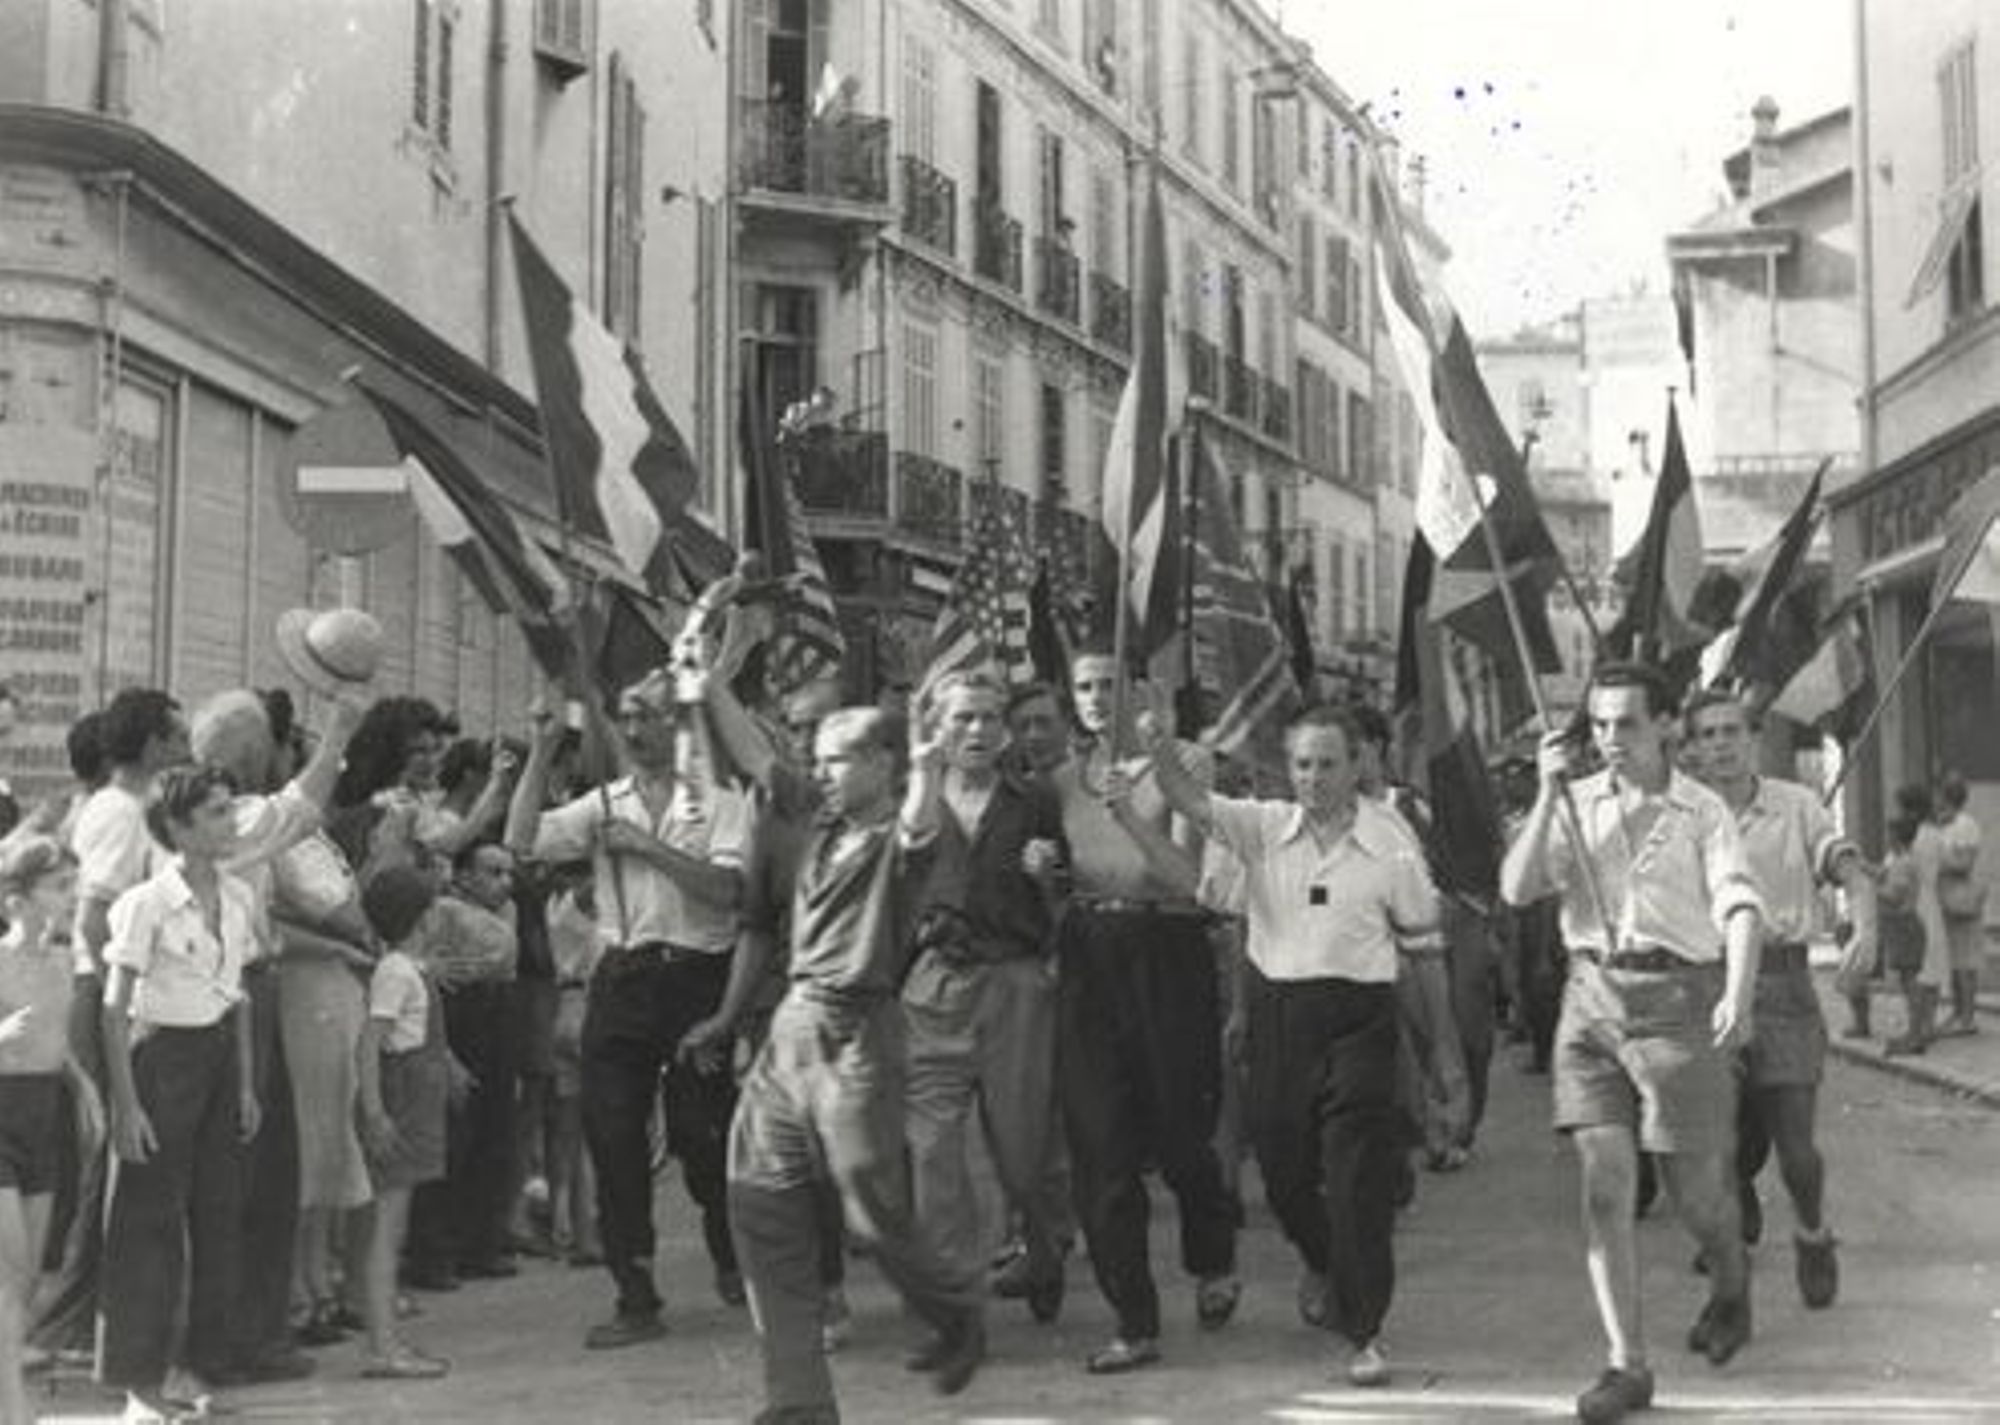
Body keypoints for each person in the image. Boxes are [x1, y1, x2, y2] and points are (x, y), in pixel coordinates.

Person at [1143, 704, 1458, 1387]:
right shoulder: (1260, 827)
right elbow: (1190, 800)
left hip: (1360, 1022)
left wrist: (1446, 1055)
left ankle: (1364, 1326)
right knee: (1283, 1174)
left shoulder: (1390, 840)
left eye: (1329, 763)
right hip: (1280, 1017)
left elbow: (1424, 945)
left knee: (1356, 1182)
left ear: (1355, 767)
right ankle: (1322, 1259)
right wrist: (1157, 747)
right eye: (1303, 764)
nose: (1315, 777)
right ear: (1289, 770)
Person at [1499, 663, 1765, 1425]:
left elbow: (1738, 903)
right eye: (1600, 724)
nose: (1611, 738)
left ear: (1664, 726)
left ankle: (1731, 1274)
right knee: (1606, 1185)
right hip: (1591, 1001)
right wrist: (1549, 794)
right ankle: (1628, 1364)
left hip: (1681, 1001)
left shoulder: (1701, 810)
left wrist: (1739, 992)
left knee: (1698, 1200)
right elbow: (1517, 888)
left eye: (1627, 723)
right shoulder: (1573, 803)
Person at [722, 705, 985, 1421]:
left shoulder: (901, 839)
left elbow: (921, 829)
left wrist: (929, 770)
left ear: (882, 764)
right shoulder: (818, 821)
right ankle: (799, 1400)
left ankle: (956, 1314)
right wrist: (711, 683)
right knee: (758, 1196)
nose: (823, 770)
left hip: (856, 1029)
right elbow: (754, 757)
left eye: (839, 758)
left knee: (870, 1210)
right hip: (792, 1024)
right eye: (820, 757)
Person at [510, 674, 752, 1348]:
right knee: (612, 1131)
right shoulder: (604, 802)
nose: (638, 729)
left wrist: (646, 847)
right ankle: (634, 1286)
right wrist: (539, 749)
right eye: (628, 716)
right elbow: (523, 839)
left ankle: (730, 1249)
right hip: (622, 976)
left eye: (652, 715)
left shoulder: (721, 804)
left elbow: (728, 889)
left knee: (701, 1133)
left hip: (695, 976)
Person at [1047, 651, 1239, 1375]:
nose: (1096, 697)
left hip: (1166, 946)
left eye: (1108, 684)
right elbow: (1062, 879)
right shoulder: (1065, 780)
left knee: (1182, 1133)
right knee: (1099, 1144)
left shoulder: (1184, 762)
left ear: (1137, 689)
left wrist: (1136, 805)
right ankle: (1134, 1316)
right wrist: (1047, 869)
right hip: (1091, 955)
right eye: (1085, 686)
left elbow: (1189, 879)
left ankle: (1213, 1254)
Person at [1685, 689, 1876, 1309]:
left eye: (1731, 731)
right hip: (1707, 986)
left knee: (1796, 1150)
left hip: (1782, 984)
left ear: (1753, 738)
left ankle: (1812, 1232)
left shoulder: (1796, 806)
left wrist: (1865, 932)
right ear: (1690, 747)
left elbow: (1850, 871)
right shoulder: (1678, 814)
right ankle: (1727, 1254)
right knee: (1714, 1143)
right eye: (1707, 734)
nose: (1720, 744)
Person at [900, 672, 1069, 1321]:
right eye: (964, 718)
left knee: (1022, 1145)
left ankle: (1045, 1249)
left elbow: (1063, 895)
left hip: (1014, 982)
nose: (978, 730)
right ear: (937, 726)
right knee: (934, 1148)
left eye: (990, 718)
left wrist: (1047, 873)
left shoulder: (1033, 799)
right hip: (935, 982)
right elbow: (903, 856)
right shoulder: (914, 795)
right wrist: (919, 771)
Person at [98, 765, 263, 1420]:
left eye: (231, 808)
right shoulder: (145, 903)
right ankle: (139, 1383)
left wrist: (246, 1082)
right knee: (148, 1222)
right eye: (218, 812)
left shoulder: (240, 894)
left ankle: (195, 1363)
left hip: (221, 1058)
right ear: (179, 826)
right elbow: (113, 1011)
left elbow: (240, 995)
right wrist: (128, 1104)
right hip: (162, 1060)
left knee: (219, 1213)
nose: (232, 823)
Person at [31, 689, 187, 1361]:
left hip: (106, 989)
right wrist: (133, 980)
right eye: (177, 733)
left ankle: (80, 1308)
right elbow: (95, 913)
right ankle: (64, 1316)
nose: (186, 744)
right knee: (105, 1154)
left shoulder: (126, 808)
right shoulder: (122, 813)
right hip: (104, 992)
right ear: (152, 741)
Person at [0, 838, 98, 1425]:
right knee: (7, 1270)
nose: (71, 900)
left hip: (44, 1112)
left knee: (31, 1274)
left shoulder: (63, 960)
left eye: (73, 888)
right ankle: (12, 1405)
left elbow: (51, 1044)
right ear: (18, 899)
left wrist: (83, 1085)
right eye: (60, 888)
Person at [410, 835, 525, 1285]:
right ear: (463, 876)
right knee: (453, 1137)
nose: (504, 882)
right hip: (459, 1014)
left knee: (495, 1135)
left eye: (508, 873)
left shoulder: (506, 914)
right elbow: (414, 962)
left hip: (499, 1014)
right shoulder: (441, 911)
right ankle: (434, 1252)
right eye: (492, 872)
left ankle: (482, 1244)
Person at [354, 865, 454, 1381]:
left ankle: (386, 1335)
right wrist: (374, 1111)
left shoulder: (409, 966)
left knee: (393, 1226)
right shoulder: (395, 970)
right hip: (402, 1102)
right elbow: (372, 1040)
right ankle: (382, 1346)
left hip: (417, 1097)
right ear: (420, 915)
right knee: (386, 1233)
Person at [1888, 785, 1948, 1056]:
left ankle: (1917, 1028)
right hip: (1931, 899)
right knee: (1932, 965)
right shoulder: (1937, 834)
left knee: (1914, 971)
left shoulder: (1910, 840)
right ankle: (1928, 1024)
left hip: (1912, 905)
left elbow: (1894, 876)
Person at [1933, 773, 1985, 1037]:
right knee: (1953, 959)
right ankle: (1956, 1012)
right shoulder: (1945, 824)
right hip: (1945, 896)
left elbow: (1964, 864)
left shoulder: (1966, 825)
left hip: (1960, 896)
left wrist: (1937, 861)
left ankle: (1967, 1017)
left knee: (1964, 959)